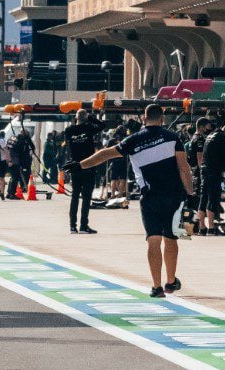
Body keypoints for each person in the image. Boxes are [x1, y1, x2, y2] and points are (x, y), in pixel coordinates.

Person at [81, 102, 196, 298]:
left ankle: (156, 286)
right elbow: (184, 168)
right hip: (174, 195)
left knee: (153, 240)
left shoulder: (133, 140)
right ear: (162, 119)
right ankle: (171, 281)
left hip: (149, 196)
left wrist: (79, 166)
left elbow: (105, 154)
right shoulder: (173, 137)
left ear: (144, 119)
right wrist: (191, 194)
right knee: (172, 238)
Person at [65, 110, 103, 234]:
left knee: (75, 196)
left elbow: (68, 148)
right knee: (86, 197)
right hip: (88, 165)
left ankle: (72, 226)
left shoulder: (69, 130)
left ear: (76, 118)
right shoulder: (88, 128)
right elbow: (102, 125)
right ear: (86, 118)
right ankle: (83, 226)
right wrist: (91, 118)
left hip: (75, 166)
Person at [198, 123, 225, 234]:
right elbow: (223, 157)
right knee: (212, 198)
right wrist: (222, 171)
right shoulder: (221, 138)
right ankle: (211, 228)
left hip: (204, 169)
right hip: (214, 171)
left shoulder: (209, 137)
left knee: (203, 197)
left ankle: (202, 227)